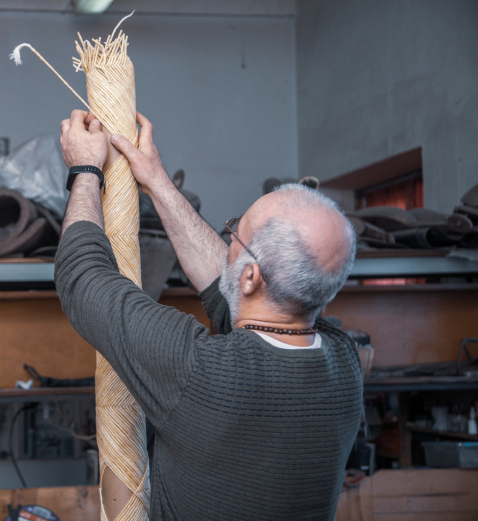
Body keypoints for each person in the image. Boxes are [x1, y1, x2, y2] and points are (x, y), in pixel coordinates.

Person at [55, 110, 363, 520]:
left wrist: (85, 170)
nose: (229, 241)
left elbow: (82, 277)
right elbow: (230, 291)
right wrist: (157, 181)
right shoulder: (344, 363)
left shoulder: (200, 372)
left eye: (234, 232)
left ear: (251, 276)